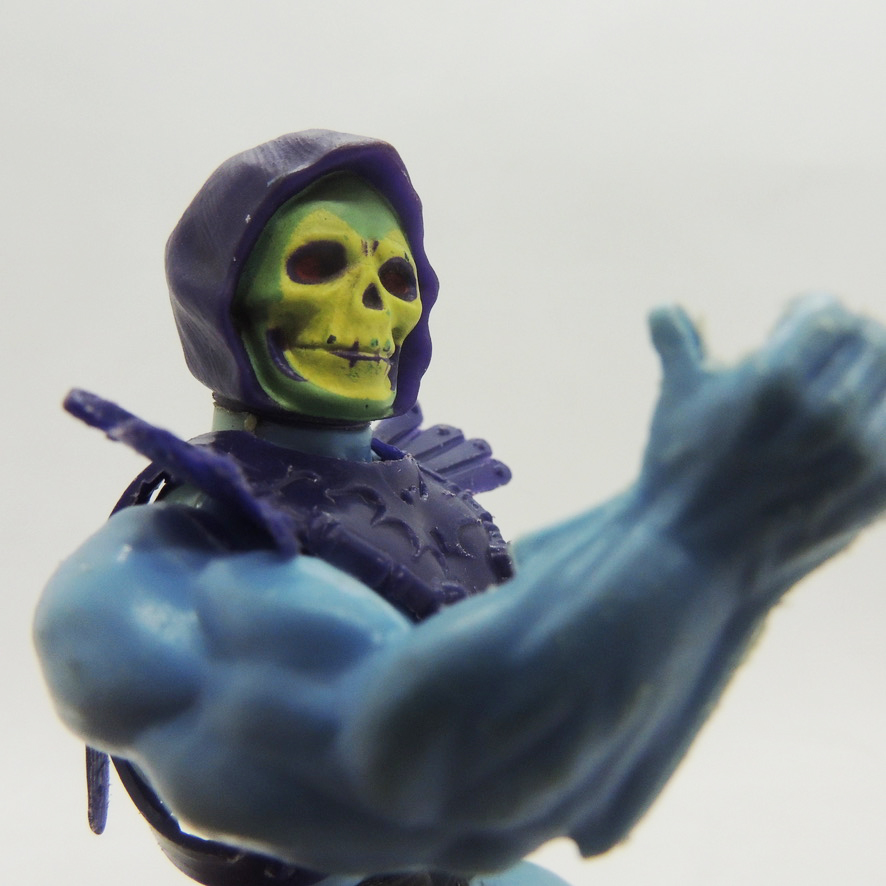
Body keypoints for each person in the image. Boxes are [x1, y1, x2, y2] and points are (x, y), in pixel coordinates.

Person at [34, 130, 886, 886]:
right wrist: (699, 529)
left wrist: (762, 550)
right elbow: (406, 781)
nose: (375, 304)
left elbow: (594, 787)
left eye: (396, 277)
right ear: (219, 298)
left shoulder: (427, 504)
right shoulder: (142, 580)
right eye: (319, 265)